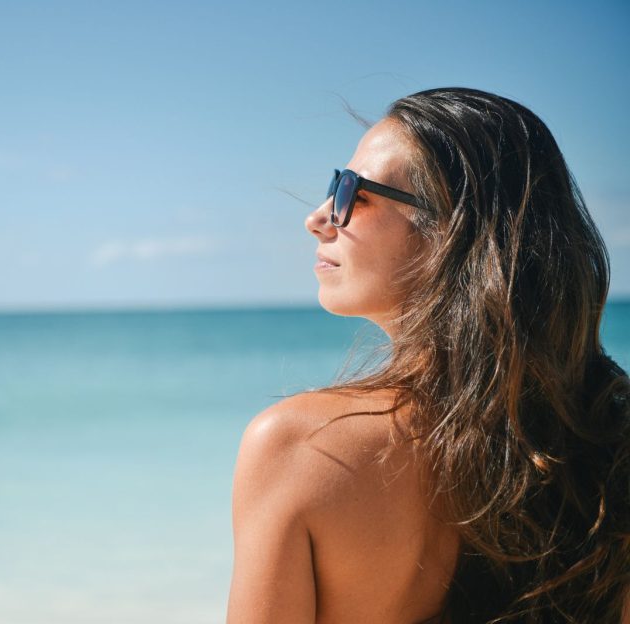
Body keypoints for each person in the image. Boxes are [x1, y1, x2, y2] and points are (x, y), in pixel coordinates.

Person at [225, 87, 630, 623]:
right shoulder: (608, 440)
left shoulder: (301, 449)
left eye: (352, 191)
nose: (320, 217)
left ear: (450, 232)